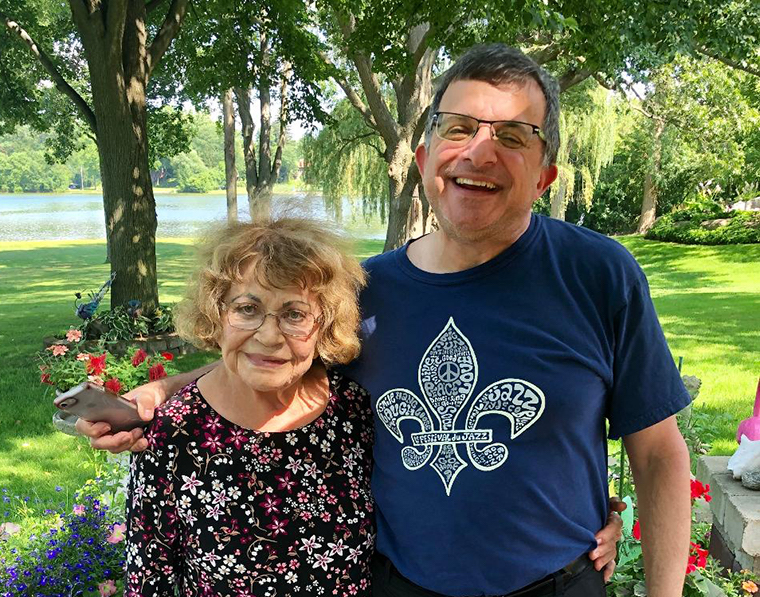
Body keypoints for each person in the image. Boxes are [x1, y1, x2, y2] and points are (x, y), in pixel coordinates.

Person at [75, 43, 682, 596]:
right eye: (459, 128)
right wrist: (164, 392)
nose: (479, 150)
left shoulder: (599, 274)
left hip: (558, 586)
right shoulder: (365, 289)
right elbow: (282, 349)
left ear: (546, 174)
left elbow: (657, 453)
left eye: (513, 136)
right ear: (424, 159)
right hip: (399, 586)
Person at [122, 219, 375, 596]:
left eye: (295, 314)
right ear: (216, 314)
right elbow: (148, 584)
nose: (270, 336)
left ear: (325, 325)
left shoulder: (351, 409)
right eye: (247, 308)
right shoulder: (174, 432)